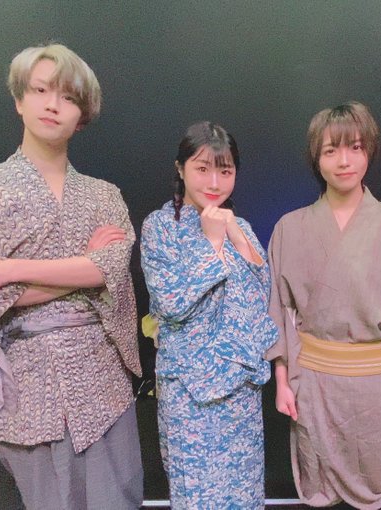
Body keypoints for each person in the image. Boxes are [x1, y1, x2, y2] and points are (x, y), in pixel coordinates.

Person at [0, 44, 143, 509]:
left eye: (68, 97)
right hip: (25, 380)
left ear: (82, 116)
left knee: (119, 499)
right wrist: (84, 268)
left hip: (103, 379)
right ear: (19, 99)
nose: (53, 105)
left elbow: (111, 269)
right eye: (40, 91)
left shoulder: (104, 196)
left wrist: (5, 270)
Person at [267, 102, 381, 509]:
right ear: (317, 158)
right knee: (319, 483)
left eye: (355, 148)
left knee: (378, 476)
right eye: (331, 150)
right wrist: (283, 379)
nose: (344, 161)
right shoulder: (289, 228)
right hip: (316, 384)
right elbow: (279, 310)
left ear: (369, 151)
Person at [140, 122, 278, 509]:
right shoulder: (160, 226)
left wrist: (233, 235)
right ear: (180, 169)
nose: (214, 182)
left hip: (241, 390)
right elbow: (171, 302)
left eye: (225, 170)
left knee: (244, 494)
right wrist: (213, 243)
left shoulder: (241, 225)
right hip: (190, 394)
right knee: (198, 496)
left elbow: (260, 300)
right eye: (202, 169)